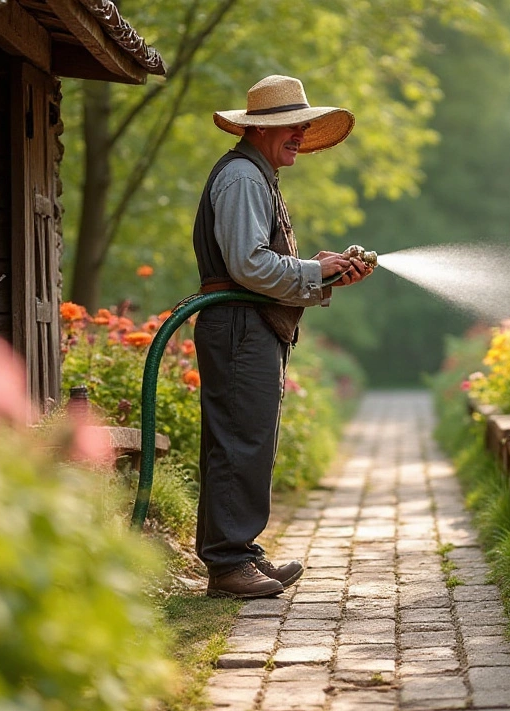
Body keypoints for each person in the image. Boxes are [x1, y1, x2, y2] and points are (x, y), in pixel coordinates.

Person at [191, 75, 372, 599]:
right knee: (239, 441)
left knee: (246, 439)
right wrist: (314, 274)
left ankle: (239, 554)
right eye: (293, 126)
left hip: (249, 324)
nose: (302, 133)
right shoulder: (246, 177)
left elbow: (259, 262)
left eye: (303, 125)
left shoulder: (256, 174)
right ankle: (228, 566)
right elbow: (249, 265)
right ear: (265, 128)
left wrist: (321, 270)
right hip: (240, 325)